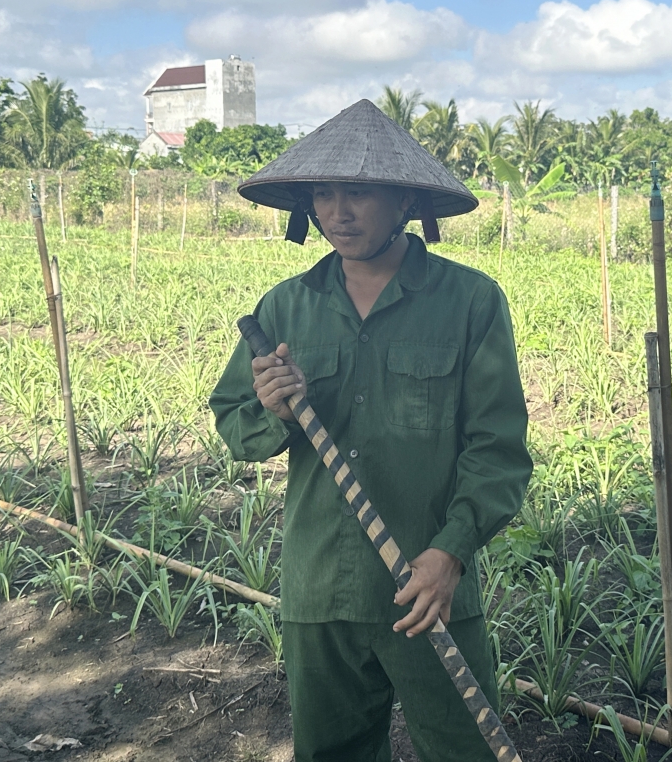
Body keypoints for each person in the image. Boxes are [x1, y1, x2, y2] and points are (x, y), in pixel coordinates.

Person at [210, 99, 532, 762]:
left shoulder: (470, 301)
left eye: (356, 192)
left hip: (429, 587)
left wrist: (451, 553)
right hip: (320, 593)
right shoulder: (285, 308)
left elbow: (497, 450)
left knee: (465, 752)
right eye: (323, 194)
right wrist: (271, 409)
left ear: (403, 200)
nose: (337, 212)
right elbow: (236, 425)